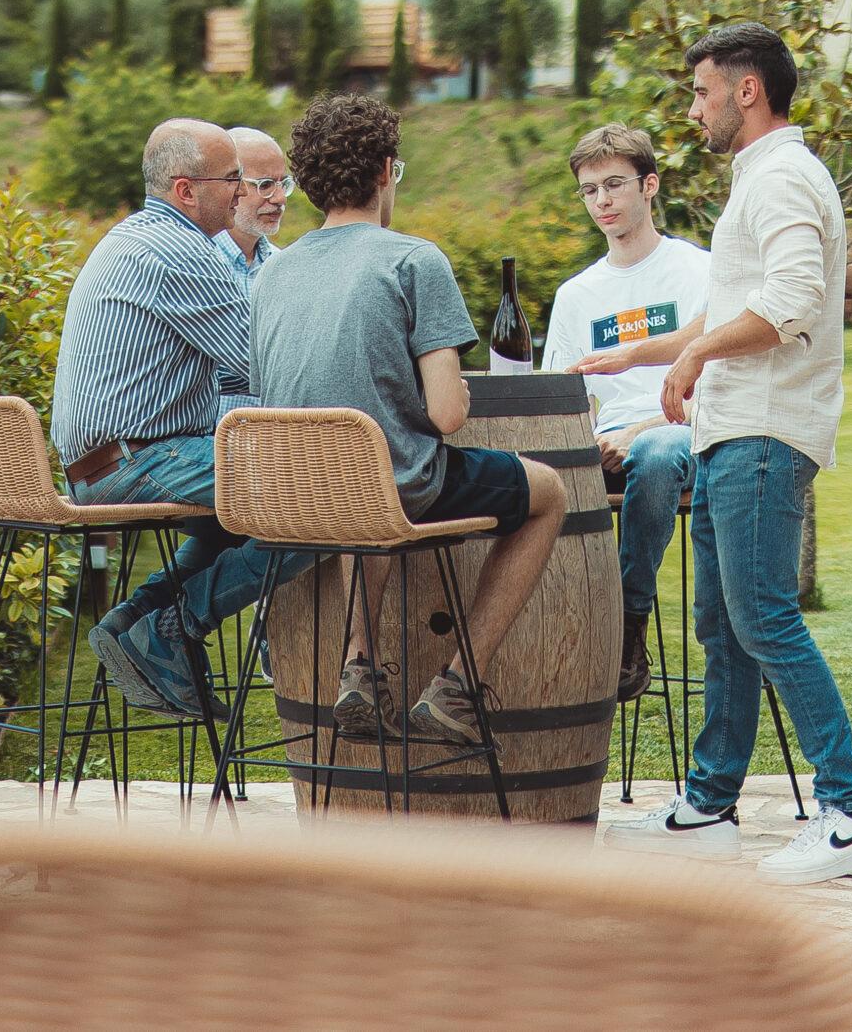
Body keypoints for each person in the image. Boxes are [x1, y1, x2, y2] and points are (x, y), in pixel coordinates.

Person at [589, 21, 852, 883]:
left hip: (764, 431)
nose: (693, 109)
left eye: (701, 91)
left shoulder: (785, 177)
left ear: (746, 89)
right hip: (732, 431)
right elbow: (734, 309)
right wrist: (646, 353)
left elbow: (792, 302)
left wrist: (692, 357)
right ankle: (708, 807)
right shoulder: (761, 179)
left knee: (762, 616)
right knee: (723, 627)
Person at [250, 94, 567, 745]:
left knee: (365, 495)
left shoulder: (271, 274)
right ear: (386, 171)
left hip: (292, 497)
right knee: (550, 494)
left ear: (308, 182)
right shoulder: (413, 260)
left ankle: (359, 667)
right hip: (389, 490)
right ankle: (457, 685)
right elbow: (448, 415)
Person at [54, 118, 284, 721]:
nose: (244, 192)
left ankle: (136, 620)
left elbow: (234, 377)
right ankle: (172, 629)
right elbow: (264, 364)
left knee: (236, 520)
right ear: (186, 190)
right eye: (232, 178)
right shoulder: (179, 252)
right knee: (323, 501)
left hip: (110, 458)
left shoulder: (137, 237)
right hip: (134, 461)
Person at [541, 124, 711, 703]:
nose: (602, 201)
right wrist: (587, 441)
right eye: (589, 191)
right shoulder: (577, 294)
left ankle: (625, 622)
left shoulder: (697, 271)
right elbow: (562, 399)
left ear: (650, 186)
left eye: (614, 185)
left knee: (657, 451)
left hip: (680, 435)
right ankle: (546, 642)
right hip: (604, 450)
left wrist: (641, 429)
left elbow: (712, 383)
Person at [211, 126, 291, 292]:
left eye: (284, 184)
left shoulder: (283, 265)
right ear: (227, 185)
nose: (280, 198)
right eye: (265, 185)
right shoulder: (196, 261)